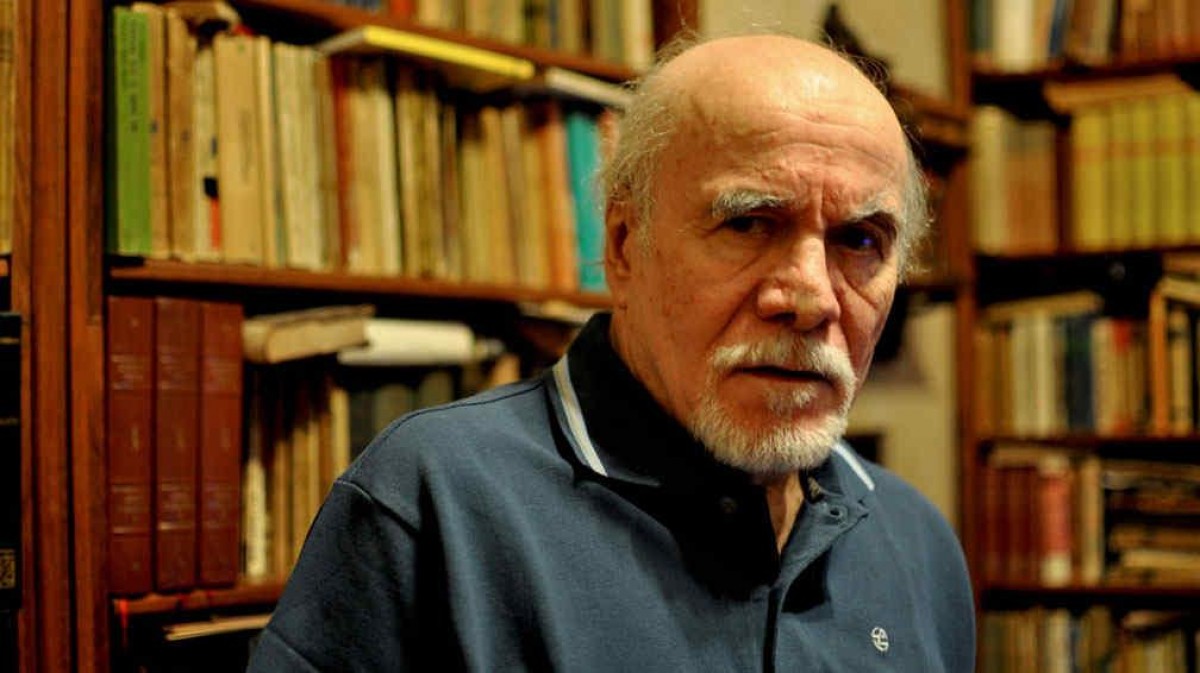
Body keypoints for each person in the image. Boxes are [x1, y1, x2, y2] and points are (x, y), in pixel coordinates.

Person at [247, 32, 975, 672]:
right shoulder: (434, 500)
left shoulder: (917, 542)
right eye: (749, 223)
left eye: (860, 240)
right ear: (625, 247)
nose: (811, 298)